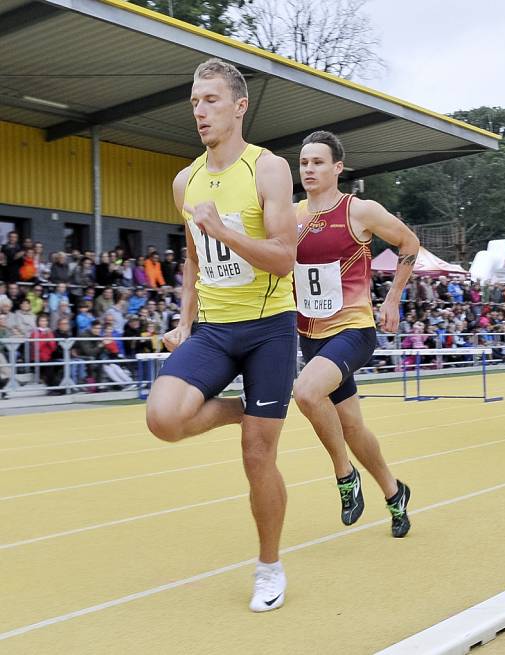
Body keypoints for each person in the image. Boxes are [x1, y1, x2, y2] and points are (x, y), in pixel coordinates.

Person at [145, 58, 297, 612]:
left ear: (239, 106)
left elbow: (284, 259)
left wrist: (223, 230)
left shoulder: (269, 170)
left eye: (210, 100)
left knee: (258, 455)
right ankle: (246, 408)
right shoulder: (186, 181)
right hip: (213, 328)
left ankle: (269, 567)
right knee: (163, 418)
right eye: (193, 102)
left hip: (268, 332)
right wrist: (184, 320)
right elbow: (191, 259)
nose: (199, 111)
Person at [292, 130, 419, 538]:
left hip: (353, 329)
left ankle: (345, 476)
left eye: (318, 162)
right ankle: (394, 492)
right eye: (304, 162)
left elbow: (409, 242)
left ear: (337, 168)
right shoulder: (292, 216)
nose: (309, 169)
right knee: (351, 427)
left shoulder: (358, 210)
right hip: (309, 334)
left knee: (307, 392)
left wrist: (393, 299)